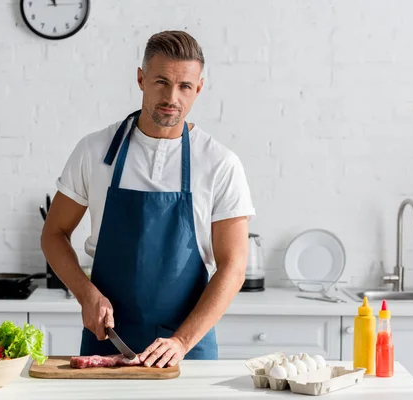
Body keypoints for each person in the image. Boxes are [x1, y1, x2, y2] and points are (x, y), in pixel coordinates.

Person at [41, 30, 255, 368]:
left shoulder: (220, 163)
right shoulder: (94, 151)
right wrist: (86, 293)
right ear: (141, 79)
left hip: (186, 348)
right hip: (108, 339)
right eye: (161, 82)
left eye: (185, 86)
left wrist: (182, 341)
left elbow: (234, 267)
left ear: (198, 88)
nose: (172, 97)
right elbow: (53, 234)